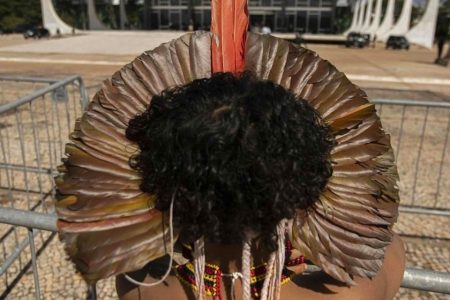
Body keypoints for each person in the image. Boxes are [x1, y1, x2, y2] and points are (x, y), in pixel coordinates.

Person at [54, 0, 404, 299]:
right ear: (302, 183)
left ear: (165, 186)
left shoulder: (141, 289)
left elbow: (139, 254)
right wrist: (301, 227)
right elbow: (387, 244)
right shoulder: (357, 292)